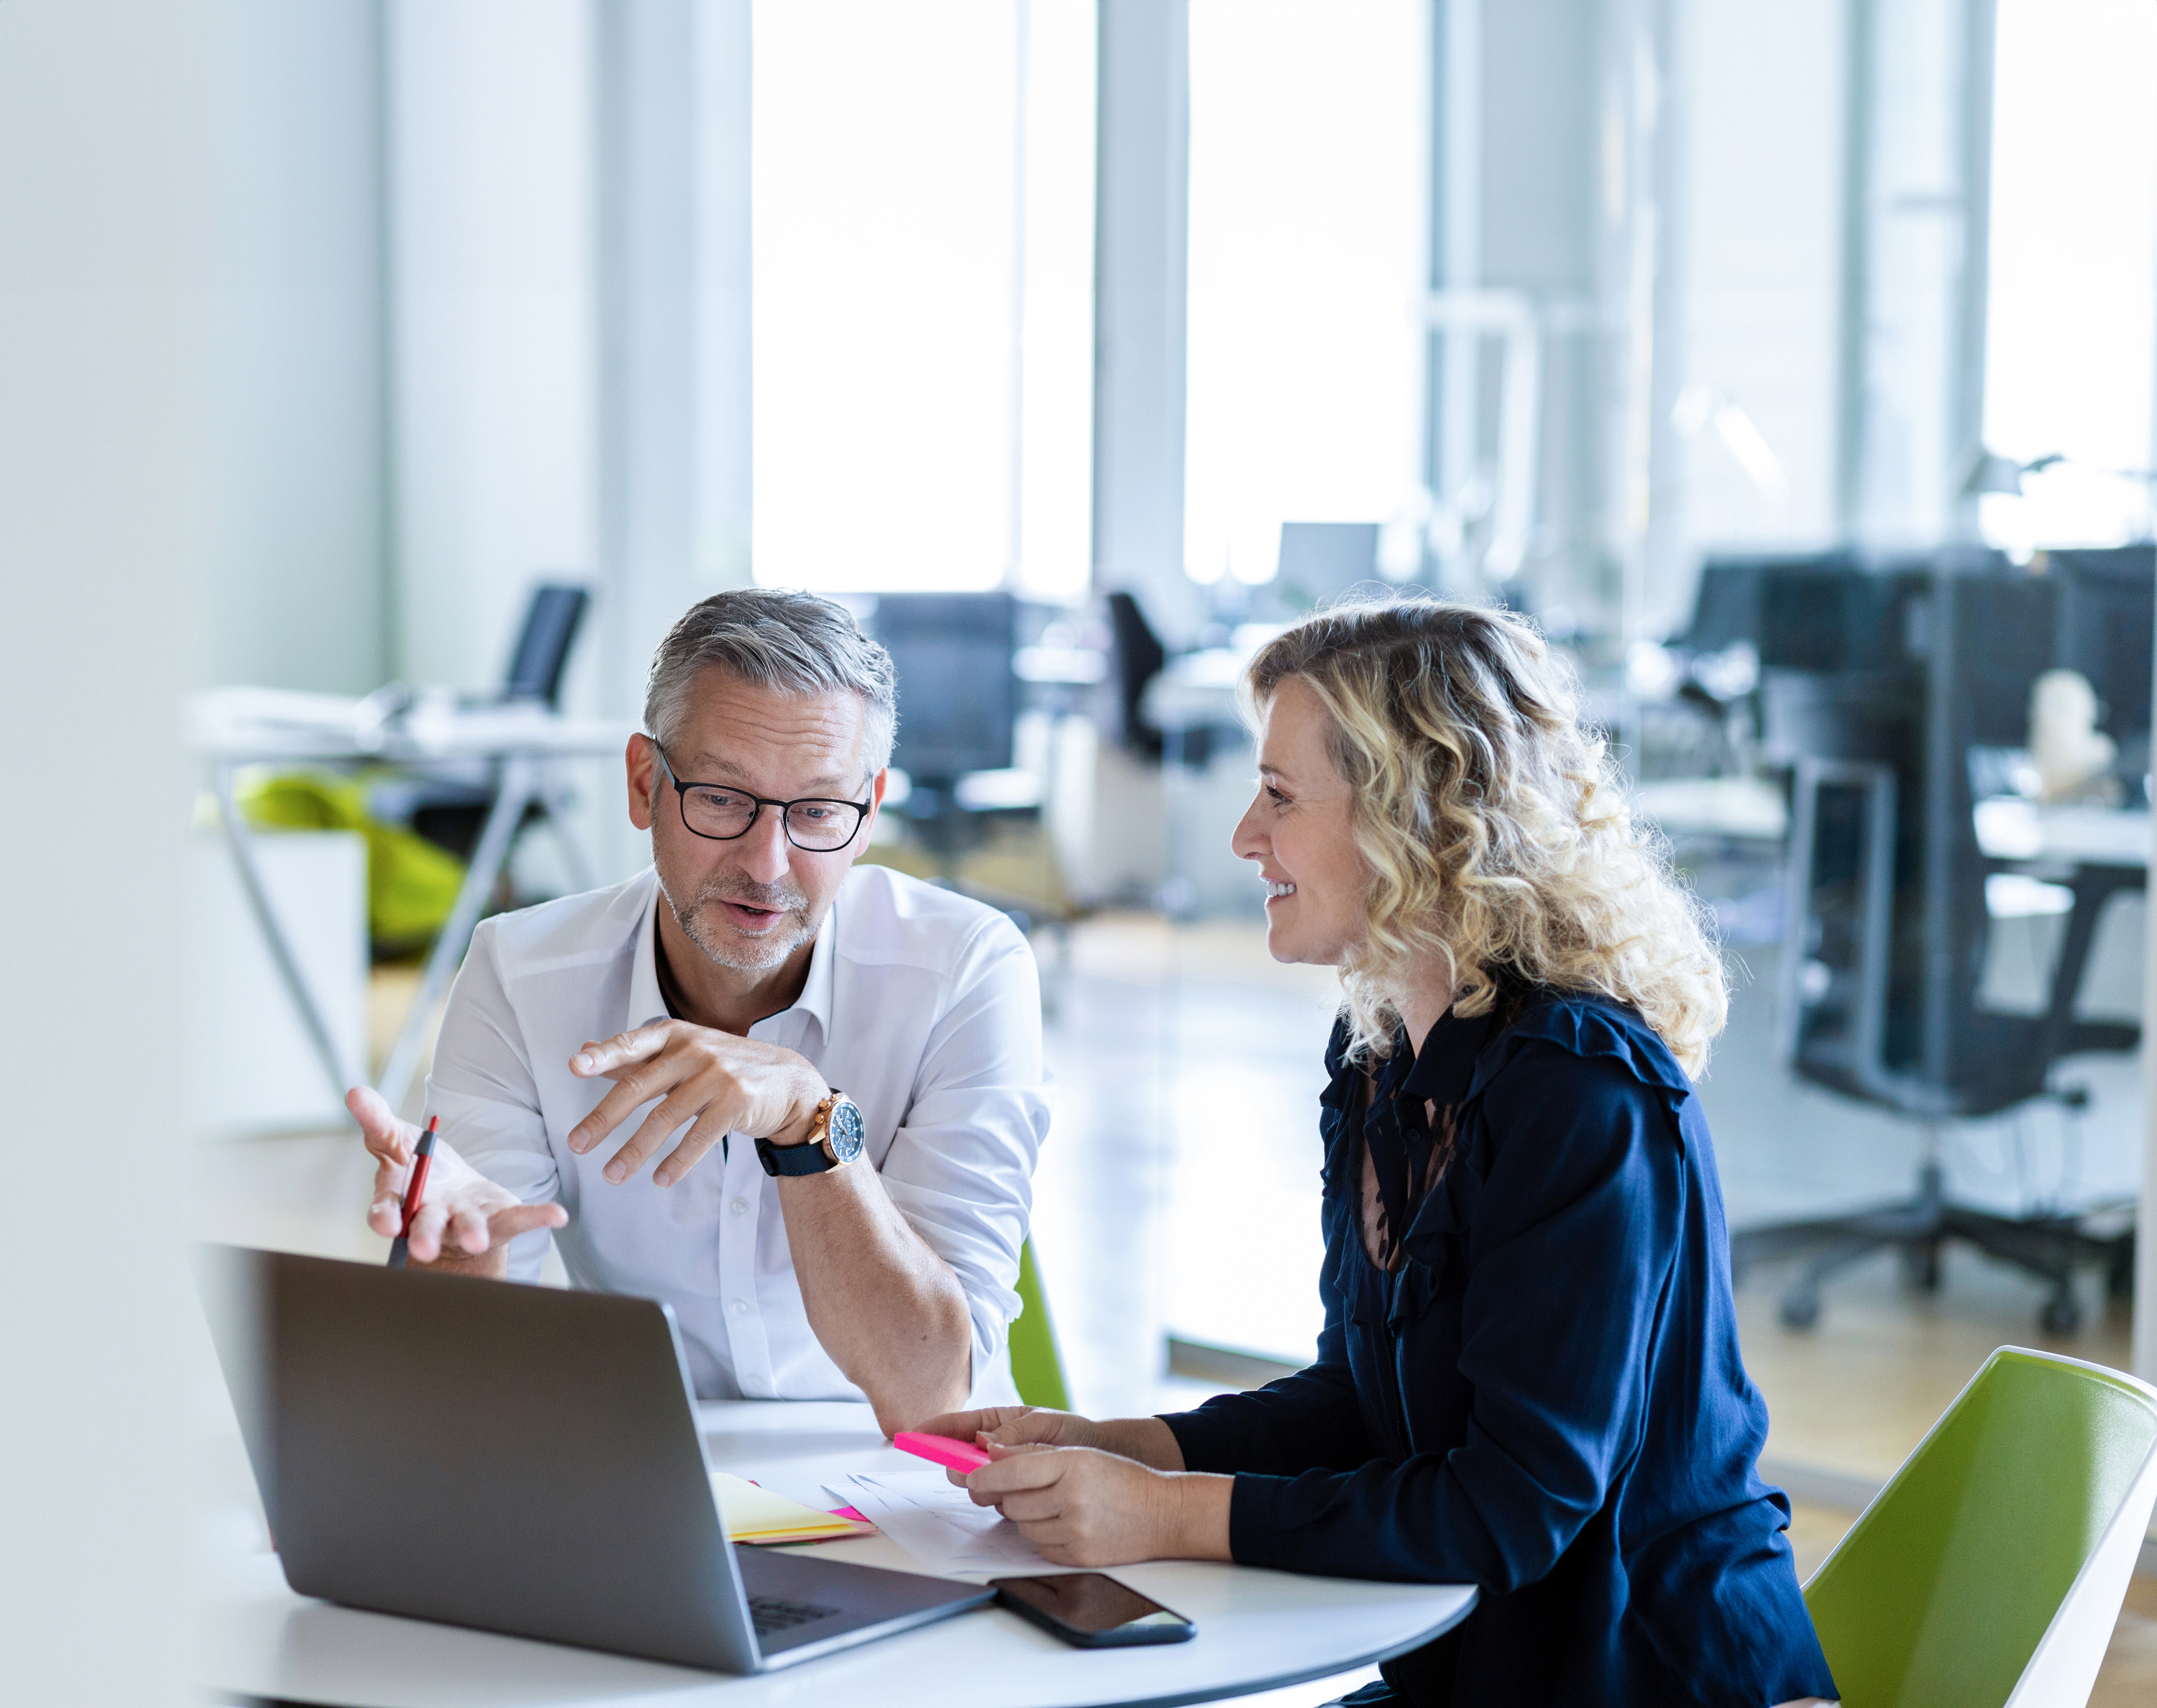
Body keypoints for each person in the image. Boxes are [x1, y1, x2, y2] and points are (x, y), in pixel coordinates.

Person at [918, 600, 1838, 1707]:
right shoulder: (1382, 1064)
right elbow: (1361, 1405)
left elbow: (1516, 1506)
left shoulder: (1580, 1091)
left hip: (1643, 1673)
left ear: (1415, 817)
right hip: (1474, 1668)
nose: (1243, 838)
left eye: (1280, 797)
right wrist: (1126, 1445)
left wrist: (1165, 1517)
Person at [349, 588, 1049, 1433]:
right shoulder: (520, 973)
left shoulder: (966, 971)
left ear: (866, 817)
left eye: (819, 811)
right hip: (659, 1467)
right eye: (721, 798)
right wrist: (462, 1247)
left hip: (911, 1479)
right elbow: (442, 1381)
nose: (768, 863)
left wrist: (809, 1122)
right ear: (646, 784)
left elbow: (931, 1392)